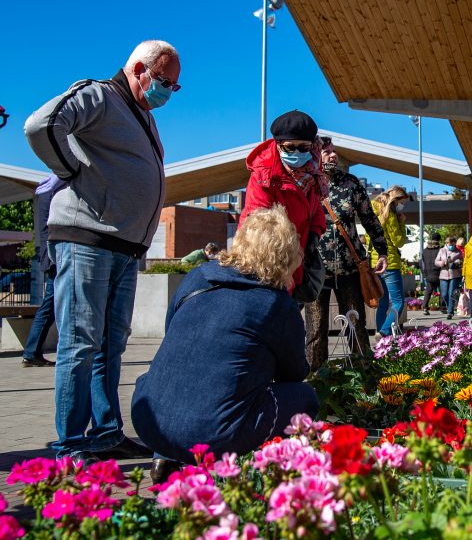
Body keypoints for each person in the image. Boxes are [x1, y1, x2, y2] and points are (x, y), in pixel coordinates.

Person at [24, 40, 180, 463]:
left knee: (111, 344)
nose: (167, 92)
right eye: (165, 82)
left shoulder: (142, 116)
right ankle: (70, 444)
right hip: (87, 239)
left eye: (175, 87)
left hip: (125, 247)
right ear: (138, 69)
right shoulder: (100, 94)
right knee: (79, 343)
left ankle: (106, 432)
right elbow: (41, 125)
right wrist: (69, 169)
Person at [132, 206, 317, 482]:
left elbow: (173, 331)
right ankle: (264, 473)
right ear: (288, 256)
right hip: (214, 435)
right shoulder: (276, 304)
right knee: (305, 397)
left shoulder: (199, 277)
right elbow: (294, 373)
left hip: (149, 420)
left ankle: (166, 455)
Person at [306, 137, 388, 369]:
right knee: (316, 330)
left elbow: (370, 219)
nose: (333, 156)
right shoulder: (306, 185)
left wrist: (382, 251)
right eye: (326, 152)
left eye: (334, 152)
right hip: (315, 271)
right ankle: (315, 382)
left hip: (350, 269)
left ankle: (365, 378)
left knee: (355, 326)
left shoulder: (350, 184)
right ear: (314, 156)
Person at [239, 110, 327, 295]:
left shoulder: (312, 174)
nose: (296, 152)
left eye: (303, 147)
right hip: (268, 261)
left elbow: (316, 208)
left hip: (297, 260)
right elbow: (259, 225)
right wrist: (285, 262)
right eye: (289, 147)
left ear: (311, 147)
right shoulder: (263, 176)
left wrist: (315, 233)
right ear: (278, 145)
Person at [21, 175, 67, 367]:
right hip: (53, 254)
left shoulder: (43, 191)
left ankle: (32, 352)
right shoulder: (51, 193)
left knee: (50, 304)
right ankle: (31, 352)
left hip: (48, 252)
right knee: (50, 304)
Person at [369, 186, 409, 335]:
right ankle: (384, 331)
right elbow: (398, 241)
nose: (402, 206)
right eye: (402, 202)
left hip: (375, 262)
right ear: (395, 199)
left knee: (383, 302)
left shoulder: (373, 209)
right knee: (398, 301)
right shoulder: (390, 214)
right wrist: (402, 222)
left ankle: (380, 335)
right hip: (390, 261)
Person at [435, 236, 463, 320]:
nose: (451, 246)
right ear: (446, 243)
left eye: (453, 244)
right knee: (444, 294)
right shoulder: (442, 250)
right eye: (449, 244)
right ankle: (449, 306)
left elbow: (462, 261)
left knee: (451, 293)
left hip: (454, 275)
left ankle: (450, 312)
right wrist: (443, 263)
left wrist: (458, 262)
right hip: (443, 275)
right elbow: (436, 261)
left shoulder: (458, 251)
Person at [421, 234, 443, 315]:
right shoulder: (440, 250)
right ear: (438, 240)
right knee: (442, 291)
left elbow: (421, 263)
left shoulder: (424, 251)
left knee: (428, 291)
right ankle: (442, 307)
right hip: (439, 273)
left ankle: (425, 308)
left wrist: (424, 274)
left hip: (428, 274)